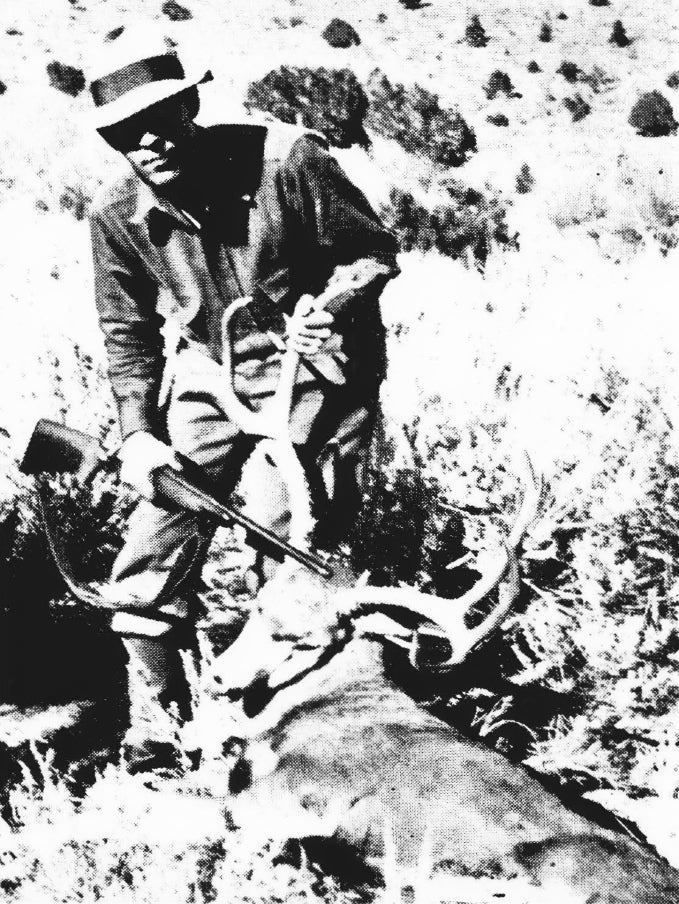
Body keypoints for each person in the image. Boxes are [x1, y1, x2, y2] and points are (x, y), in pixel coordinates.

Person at [86, 27, 399, 774]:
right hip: (208, 376)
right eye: (124, 133)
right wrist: (137, 433)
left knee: (283, 534)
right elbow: (126, 332)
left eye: (158, 119)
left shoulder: (288, 162)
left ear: (190, 105)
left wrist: (334, 303)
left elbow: (372, 252)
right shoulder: (114, 215)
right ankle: (159, 730)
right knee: (153, 539)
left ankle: (289, 728)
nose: (146, 142)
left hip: (314, 369)